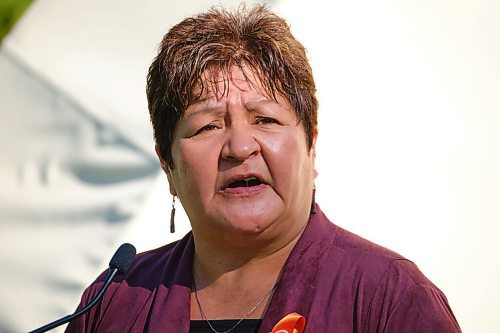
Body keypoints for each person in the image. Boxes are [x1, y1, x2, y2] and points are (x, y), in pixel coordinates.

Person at [66, 5, 461, 333]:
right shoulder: (115, 301)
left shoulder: (389, 297)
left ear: (311, 145)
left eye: (265, 120)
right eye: (208, 126)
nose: (239, 147)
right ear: (167, 164)